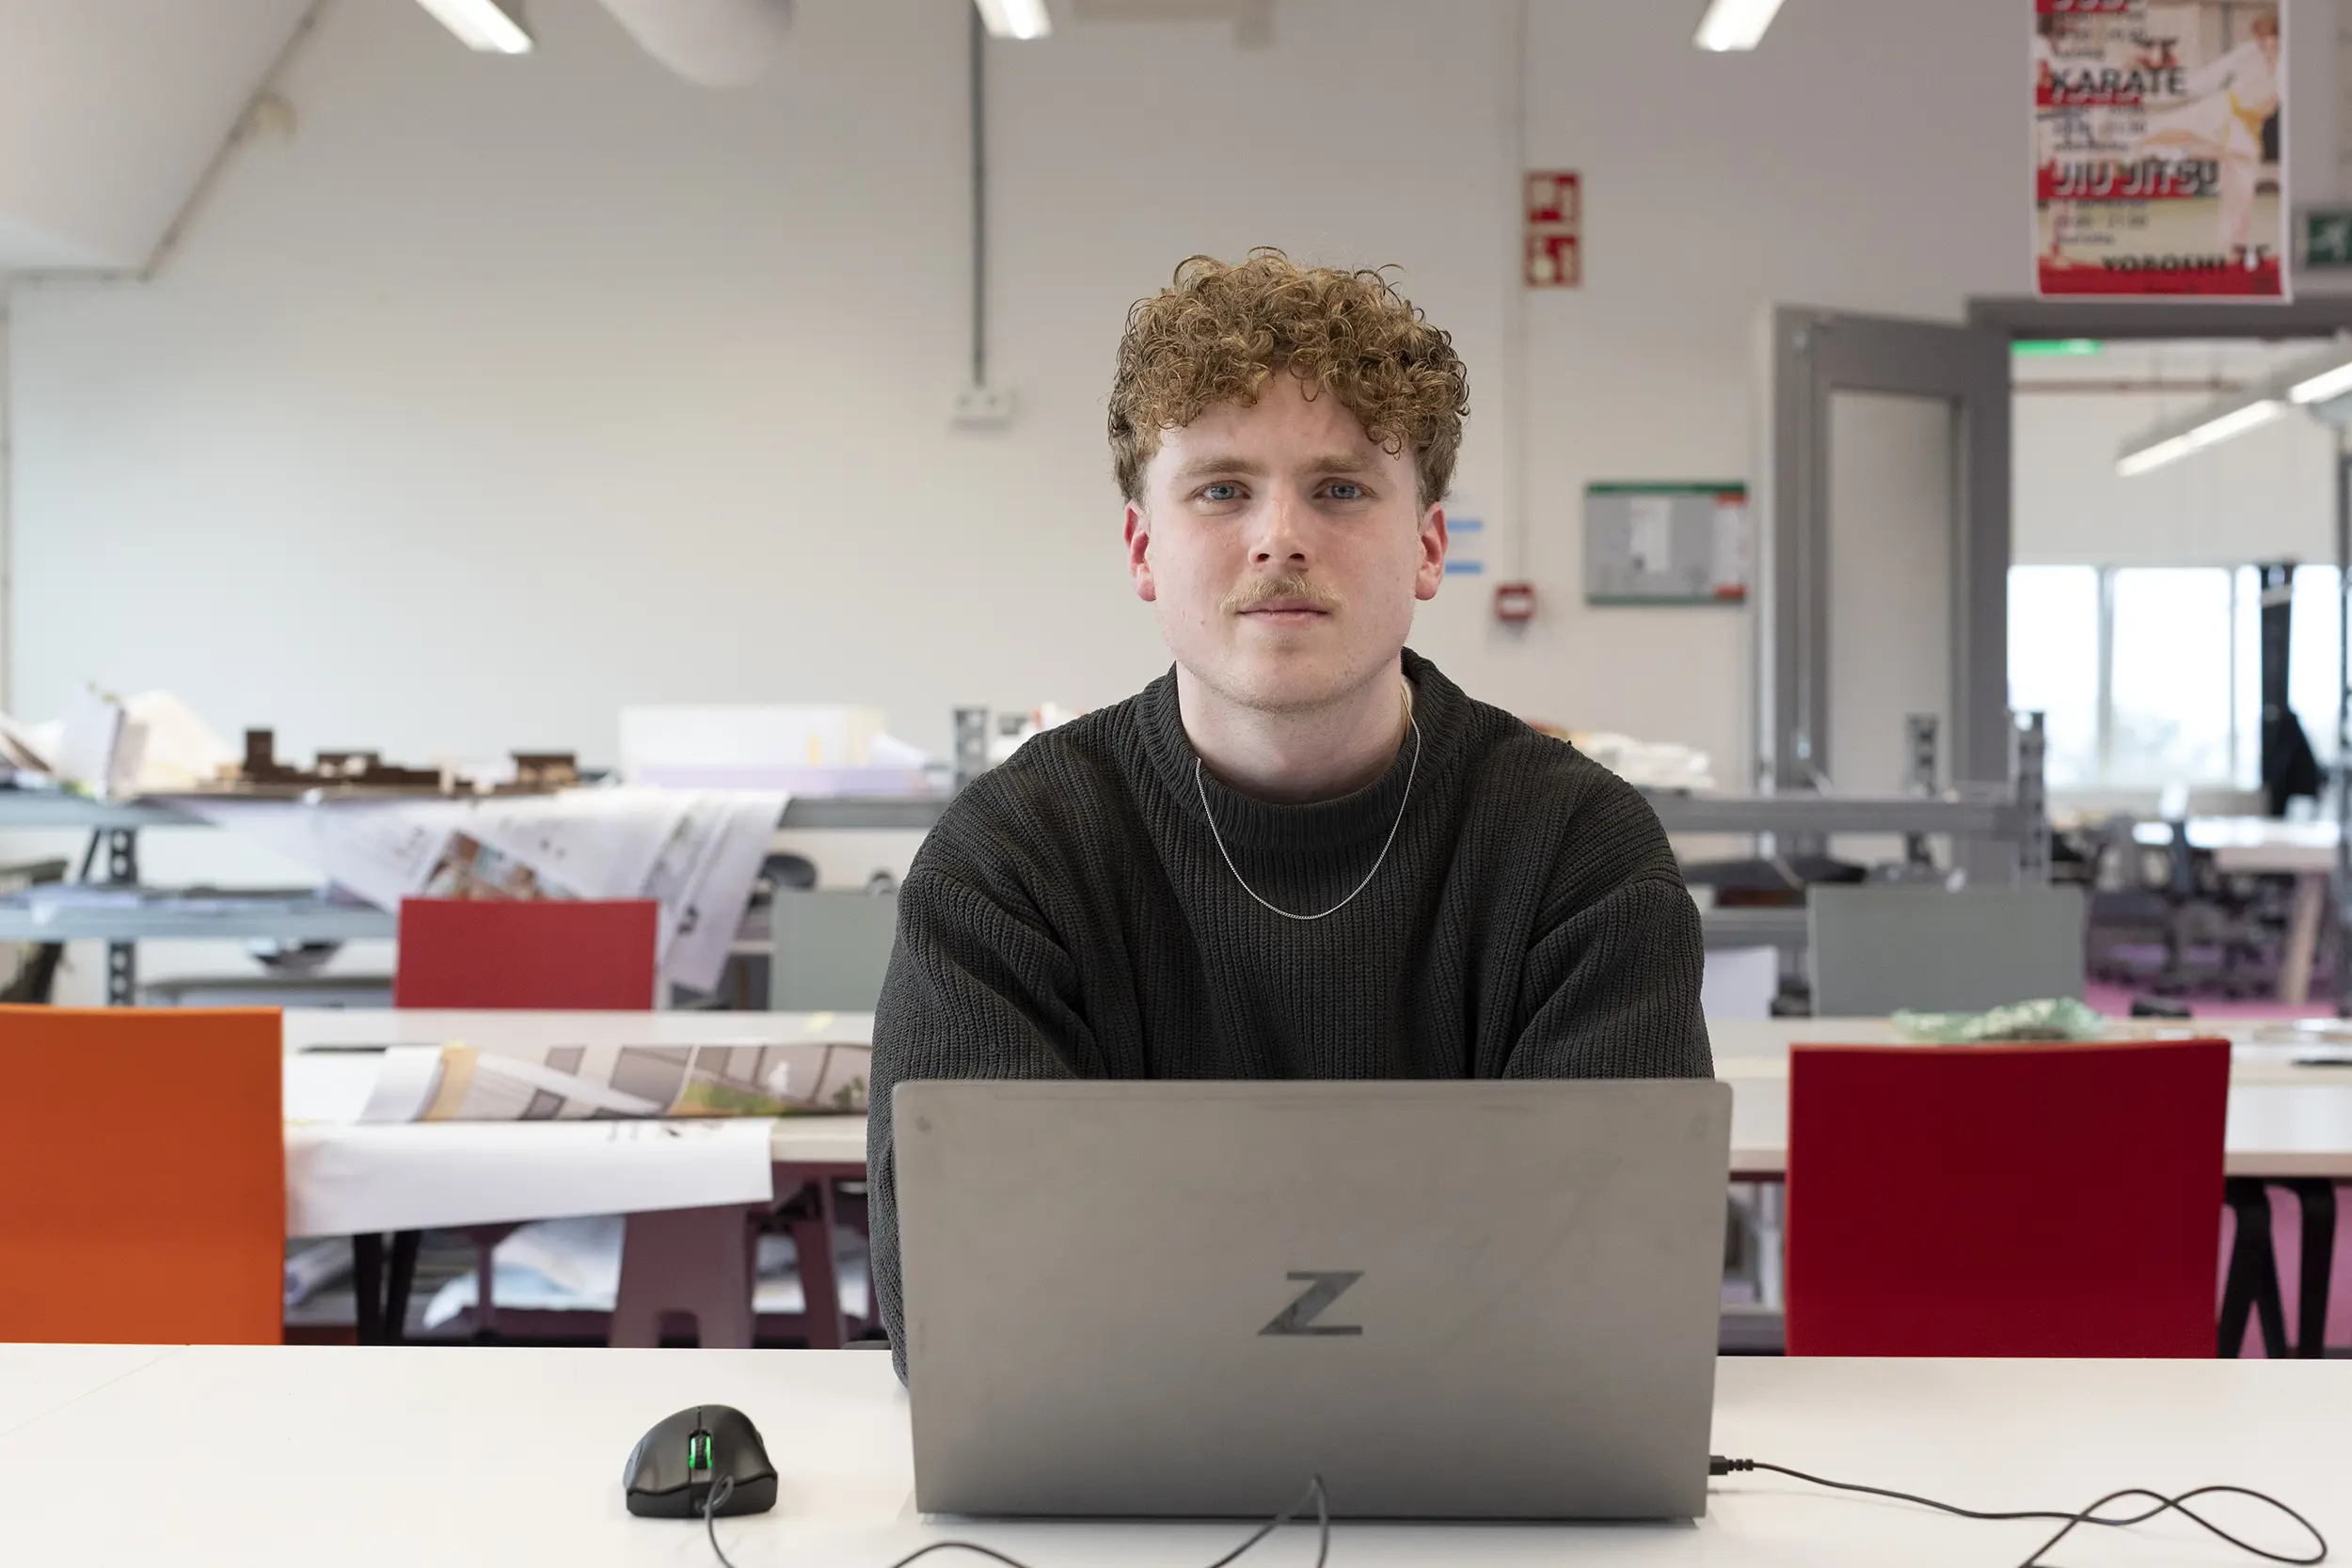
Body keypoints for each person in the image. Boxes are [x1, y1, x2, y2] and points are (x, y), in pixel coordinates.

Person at [866, 249, 1712, 1377]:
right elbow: (958, 1296)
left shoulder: (1577, 852)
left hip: (1492, 1508)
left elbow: (1615, 1286)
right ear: (1141, 550)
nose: (1279, 537)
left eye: (1341, 487)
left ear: (1428, 546)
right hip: (1110, 1501)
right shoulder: (1009, 859)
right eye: (1220, 488)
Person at [2136, 8, 2280, 262]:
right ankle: (2134, 138)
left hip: (2248, 130)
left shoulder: (2287, 64)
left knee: (2243, 190)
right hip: (2224, 109)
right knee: (2175, 125)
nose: (2266, 43)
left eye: (2270, 37)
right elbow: (2215, 73)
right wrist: (2177, 88)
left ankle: (2236, 245)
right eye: (2261, 38)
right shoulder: (2248, 52)